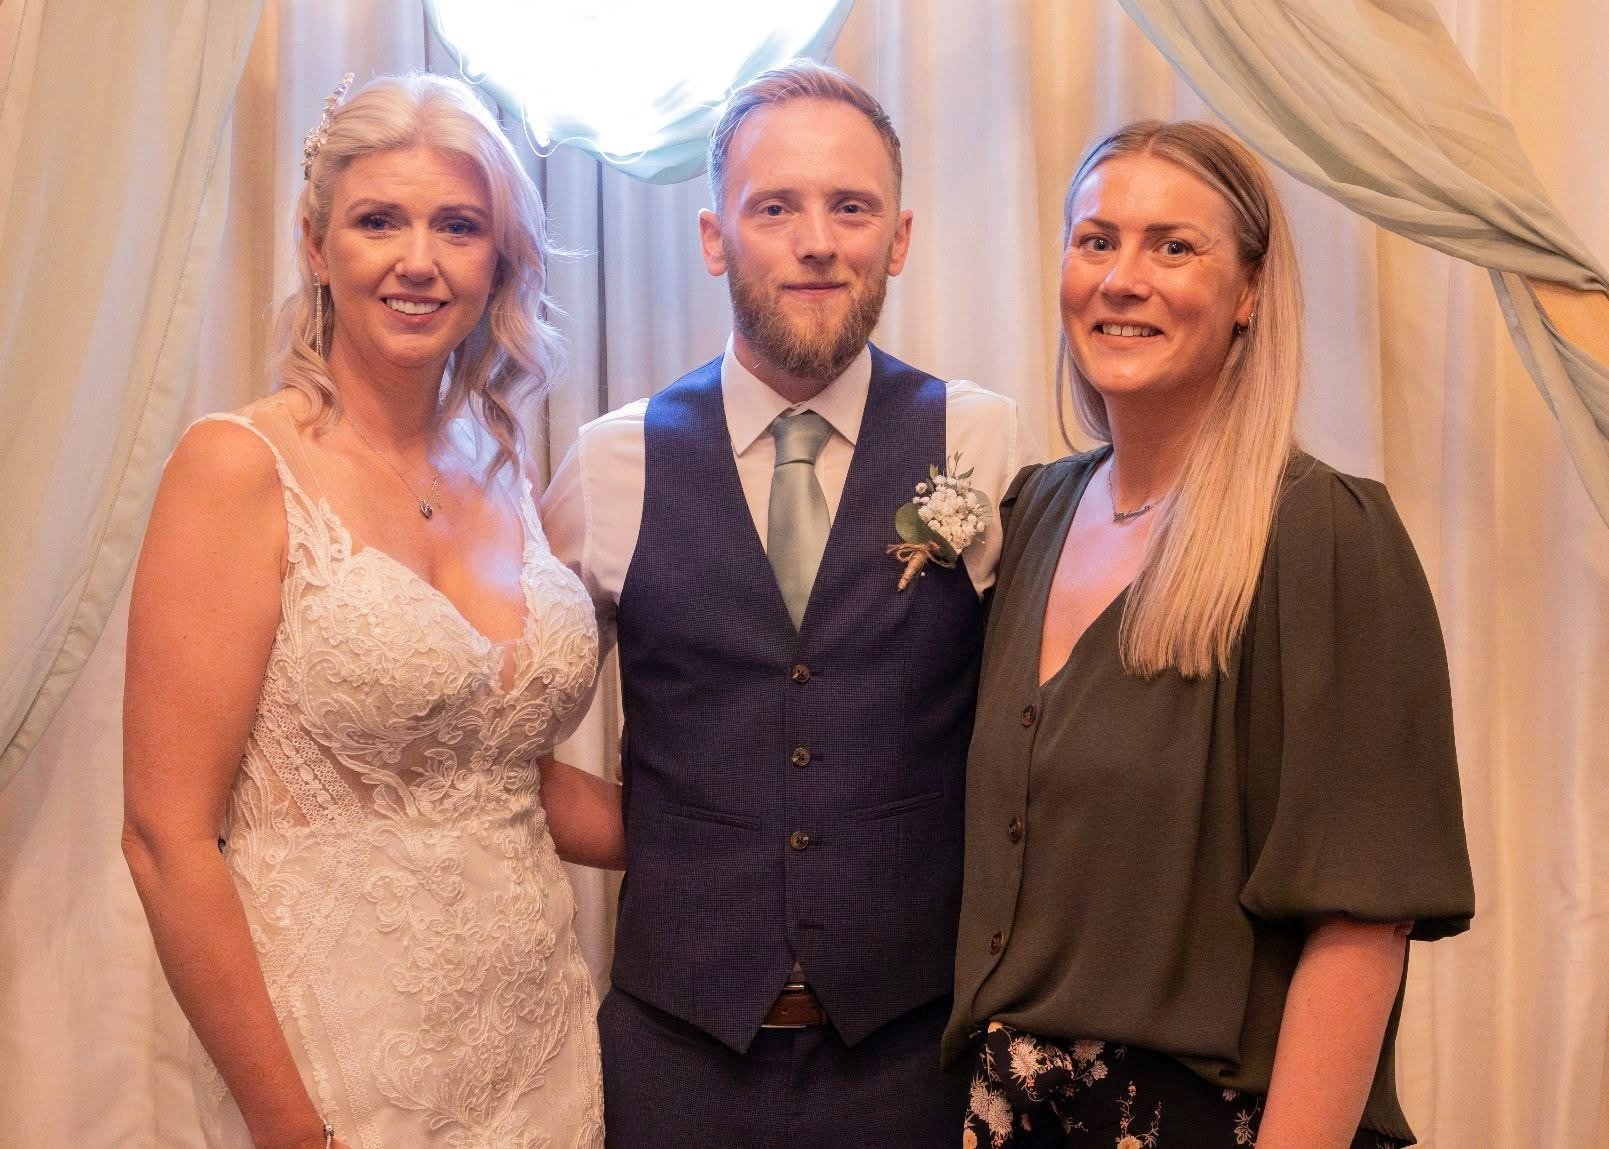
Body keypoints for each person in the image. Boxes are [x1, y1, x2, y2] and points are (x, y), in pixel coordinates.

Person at [944, 119, 1476, 1149]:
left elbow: (1361, 926)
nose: (1122, 278)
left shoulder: (1321, 534)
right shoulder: (1033, 513)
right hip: (1006, 1113)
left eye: (1172, 246)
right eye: (1095, 241)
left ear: (1249, 294)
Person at [122, 73, 622, 1149]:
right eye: (377, 221)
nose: (418, 260)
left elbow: (502, 776)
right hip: (336, 1064)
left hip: (539, 1048)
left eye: (457, 226)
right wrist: (288, 1128)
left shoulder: (502, 458)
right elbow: (168, 841)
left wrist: (759, 837)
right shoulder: (239, 468)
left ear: (497, 259)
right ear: (315, 246)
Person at [541, 59, 1033, 1146]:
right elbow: (498, 724)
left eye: (849, 207)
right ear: (717, 238)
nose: (817, 240)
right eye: (777, 207)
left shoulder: (984, 443)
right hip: (671, 1059)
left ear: (896, 239)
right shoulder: (610, 463)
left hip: (917, 1058)